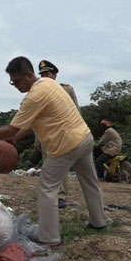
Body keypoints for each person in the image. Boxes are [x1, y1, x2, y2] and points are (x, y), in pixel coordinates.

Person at [0, 56, 109, 245]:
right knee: (90, 182)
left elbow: (12, 128)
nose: (15, 86)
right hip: (84, 138)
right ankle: (99, 222)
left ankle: (49, 237)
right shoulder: (49, 83)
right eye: (12, 82)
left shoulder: (33, 96)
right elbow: (27, 125)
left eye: (16, 81)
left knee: (46, 188)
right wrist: (15, 139)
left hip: (66, 146)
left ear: (29, 75)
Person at [36, 60, 81, 208]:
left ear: (55, 75)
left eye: (47, 73)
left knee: (60, 166)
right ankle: (50, 195)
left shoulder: (66, 89)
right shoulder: (38, 92)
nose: (44, 76)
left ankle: (61, 196)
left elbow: (76, 112)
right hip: (45, 135)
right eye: (42, 74)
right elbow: (37, 117)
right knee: (47, 166)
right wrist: (37, 138)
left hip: (63, 134)